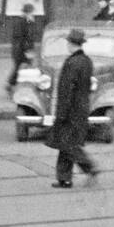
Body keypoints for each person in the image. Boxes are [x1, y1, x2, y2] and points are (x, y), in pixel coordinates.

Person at [45, 28, 99, 189]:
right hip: (82, 106)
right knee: (65, 142)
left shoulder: (71, 63)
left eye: (68, 43)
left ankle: (89, 167)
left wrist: (61, 113)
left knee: (68, 143)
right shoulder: (87, 61)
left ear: (71, 44)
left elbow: (66, 90)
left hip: (70, 109)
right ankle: (64, 178)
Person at [5, 3, 36, 97]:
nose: (33, 14)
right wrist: (27, 51)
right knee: (21, 69)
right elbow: (23, 38)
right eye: (31, 12)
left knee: (21, 69)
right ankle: (12, 86)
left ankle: (12, 86)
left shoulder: (26, 21)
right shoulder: (22, 22)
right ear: (28, 12)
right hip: (21, 51)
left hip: (23, 50)